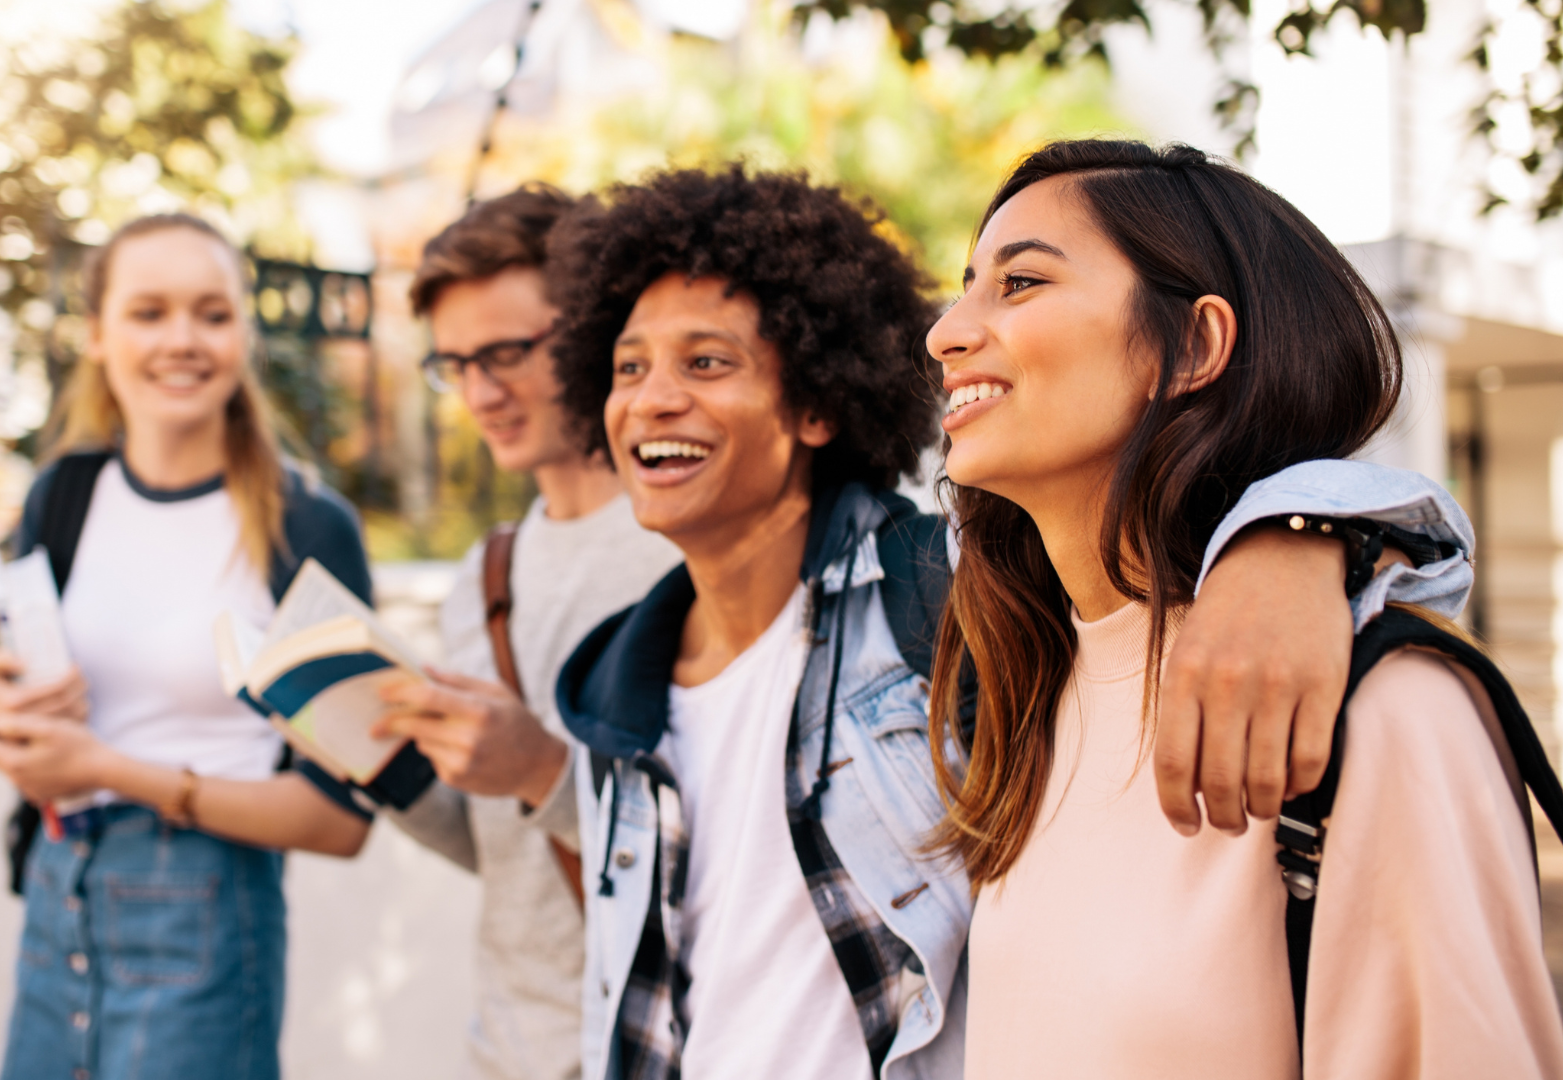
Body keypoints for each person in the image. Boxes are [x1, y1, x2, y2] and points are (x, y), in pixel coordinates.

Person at [545, 165, 1473, 1079]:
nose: (652, 398)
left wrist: (1299, 536)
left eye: (707, 361)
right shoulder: (608, 692)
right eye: (628, 368)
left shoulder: (940, 605)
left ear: (820, 403)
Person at [926, 140, 1563, 1078]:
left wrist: (1312, 530)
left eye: (1020, 283)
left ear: (1193, 346)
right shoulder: (1020, 692)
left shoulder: (1380, 706)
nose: (944, 332)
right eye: (966, 284)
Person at [0, 213, 374, 1080]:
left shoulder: (306, 527)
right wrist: (1, 727)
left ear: (243, 333)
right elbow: (34, 718)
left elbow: (340, 820)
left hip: (208, 914)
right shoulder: (62, 498)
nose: (182, 340)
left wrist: (108, 769)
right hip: (57, 897)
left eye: (212, 313)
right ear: (97, 335)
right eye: (149, 312)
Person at [364, 184, 682, 1080]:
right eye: (455, 364)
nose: (482, 391)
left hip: (655, 1044)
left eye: (507, 351)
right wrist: (371, 761)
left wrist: (543, 769)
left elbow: (740, 845)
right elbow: (504, 859)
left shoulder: (689, 548)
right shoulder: (485, 575)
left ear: (590, 330)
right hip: (508, 1048)